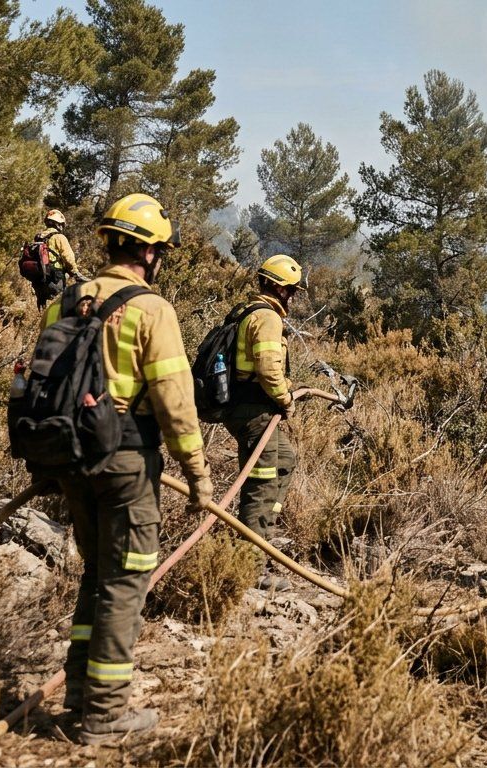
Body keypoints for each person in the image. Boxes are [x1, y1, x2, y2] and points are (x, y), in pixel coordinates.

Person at [44, 193, 213, 744]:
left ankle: (78, 695)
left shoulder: (65, 302)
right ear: (150, 253)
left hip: (71, 462)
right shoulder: (152, 309)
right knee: (125, 583)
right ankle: (106, 714)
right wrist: (198, 477)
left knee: (95, 576)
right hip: (127, 467)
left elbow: (46, 387)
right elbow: (174, 400)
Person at [224, 254, 304, 591]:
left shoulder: (248, 311)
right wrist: (286, 399)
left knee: (285, 459)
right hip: (254, 411)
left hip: (246, 408)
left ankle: (264, 532)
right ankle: (250, 568)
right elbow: (270, 370)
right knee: (261, 482)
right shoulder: (267, 318)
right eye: (290, 290)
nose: (293, 297)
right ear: (277, 287)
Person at [32, 208, 85, 308]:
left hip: (38, 282)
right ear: (58, 224)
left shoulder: (38, 237)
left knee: (44, 311)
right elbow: (68, 258)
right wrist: (75, 273)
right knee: (61, 307)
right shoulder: (59, 237)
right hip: (55, 279)